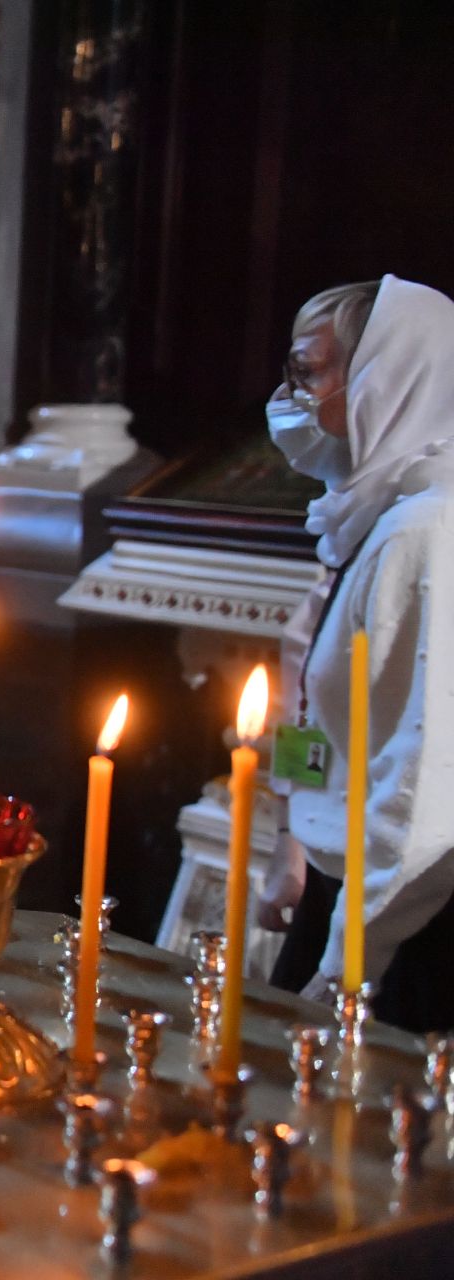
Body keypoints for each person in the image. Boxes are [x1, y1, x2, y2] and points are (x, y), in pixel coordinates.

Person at [258, 276, 454, 1033]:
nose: (290, 396)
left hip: (403, 928)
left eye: (308, 372)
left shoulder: (428, 531)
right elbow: (317, 702)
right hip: (345, 890)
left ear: (388, 375)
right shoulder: (374, 516)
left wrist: (345, 974)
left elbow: (421, 784)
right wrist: (293, 836)